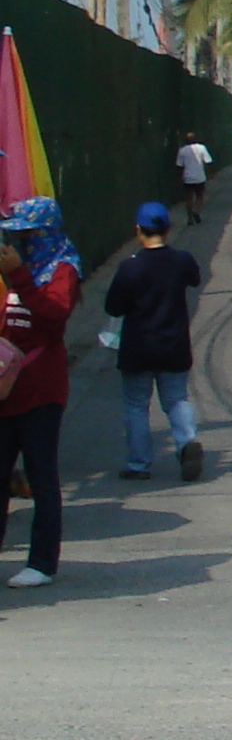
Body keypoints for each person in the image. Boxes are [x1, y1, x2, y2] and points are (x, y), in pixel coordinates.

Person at [106, 201, 206, 483]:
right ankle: (187, 444)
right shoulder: (182, 260)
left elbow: (113, 307)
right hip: (174, 345)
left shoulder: (130, 267)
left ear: (138, 230)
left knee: (136, 405)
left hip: (138, 347)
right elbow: (195, 279)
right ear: (167, 229)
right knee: (176, 399)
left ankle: (138, 464)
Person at [0, 240, 79, 587]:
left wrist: (18, 274)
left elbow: (53, 314)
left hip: (40, 393)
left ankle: (42, 562)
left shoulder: (61, 269)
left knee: (41, 476)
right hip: (6, 391)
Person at [173, 132, 212, 225]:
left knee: (189, 198)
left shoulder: (182, 150)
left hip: (187, 177)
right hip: (200, 176)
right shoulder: (202, 148)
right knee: (199, 196)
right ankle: (196, 210)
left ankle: (190, 219)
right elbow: (208, 161)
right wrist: (210, 174)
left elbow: (179, 165)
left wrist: (180, 177)